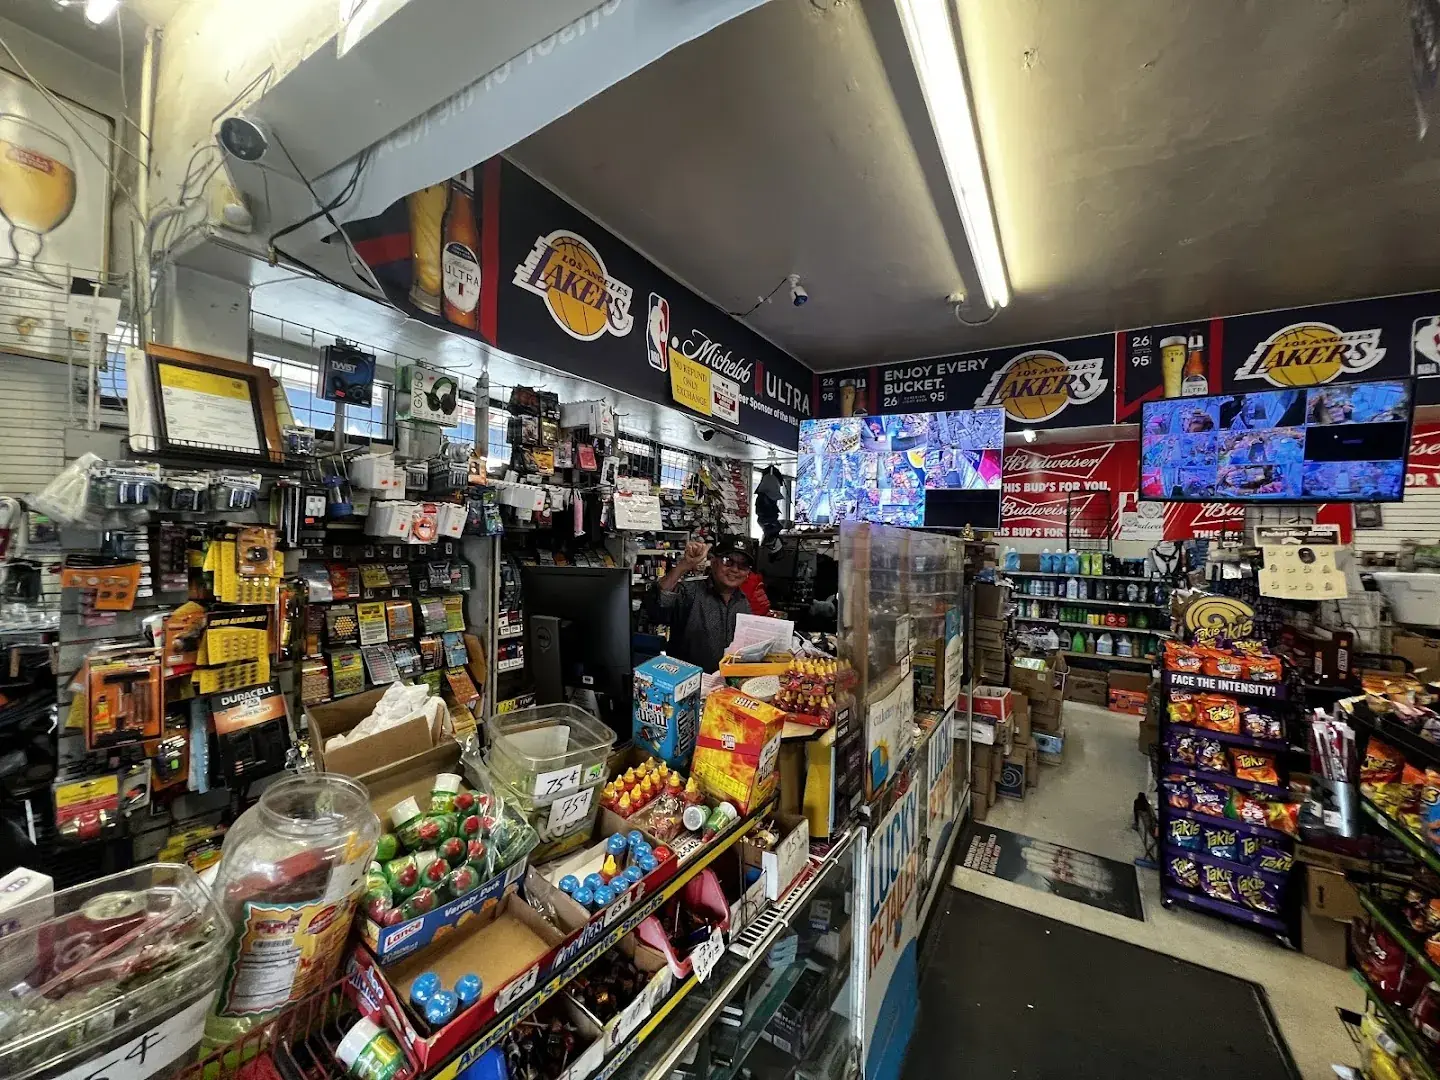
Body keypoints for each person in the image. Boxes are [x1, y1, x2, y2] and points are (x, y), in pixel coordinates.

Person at [646, 535, 754, 673]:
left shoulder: (743, 602)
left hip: (726, 688)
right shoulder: (689, 592)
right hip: (686, 685)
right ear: (713, 561)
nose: (735, 569)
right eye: (728, 561)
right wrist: (684, 565)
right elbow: (657, 604)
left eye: (743, 565)